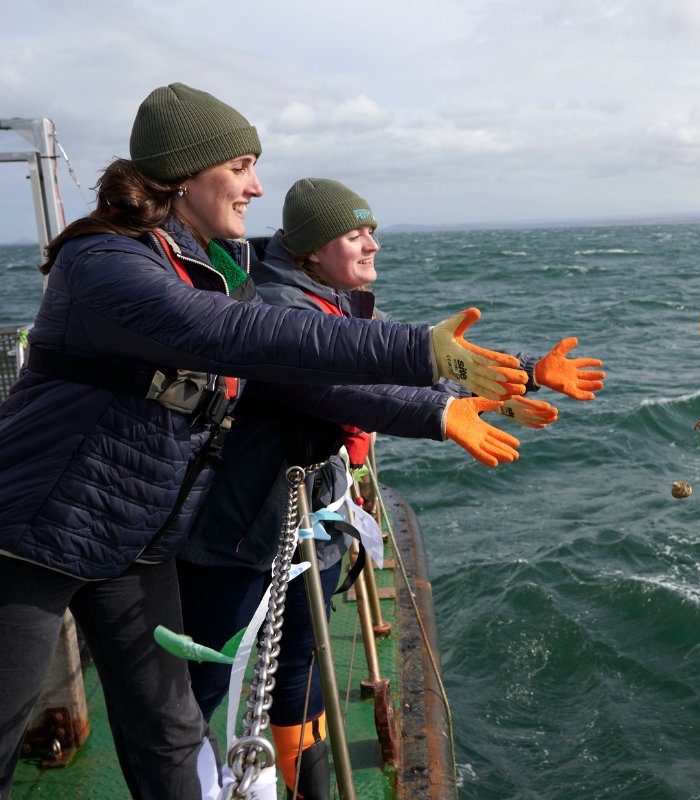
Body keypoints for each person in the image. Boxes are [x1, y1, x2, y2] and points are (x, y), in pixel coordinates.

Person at [0, 83, 533, 800]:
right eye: (241, 165)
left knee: (170, 730)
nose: (256, 185)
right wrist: (423, 351)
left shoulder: (221, 266)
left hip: (134, 532)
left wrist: (471, 390)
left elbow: (308, 373)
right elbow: (235, 335)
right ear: (184, 175)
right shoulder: (105, 263)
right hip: (33, 527)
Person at [176, 178, 606, 798]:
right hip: (237, 536)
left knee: (301, 672)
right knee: (196, 686)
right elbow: (344, 387)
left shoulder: (330, 299)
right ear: (312, 251)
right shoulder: (276, 310)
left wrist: (528, 372)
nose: (373, 244)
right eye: (355, 234)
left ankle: (311, 790)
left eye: (370, 230)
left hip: (311, 527)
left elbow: (398, 366)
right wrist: (439, 416)